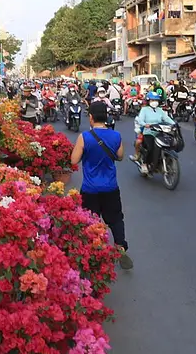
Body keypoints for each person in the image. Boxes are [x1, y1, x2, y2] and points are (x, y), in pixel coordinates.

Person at [72, 101, 133, 270]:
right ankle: (120, 246)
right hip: (110, 188)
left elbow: (74, 160)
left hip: (90, 189)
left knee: (90, 220)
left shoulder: (84, 137)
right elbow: (120, 156)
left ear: (91, 117)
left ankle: (92, 250)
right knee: (115, 219)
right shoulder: (116, 136)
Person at [132, 89, 175, 174]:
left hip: (159, 132)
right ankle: (145, 163)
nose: (154, 102)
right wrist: (145, 124)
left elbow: (166, 119)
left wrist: (174, 124)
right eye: (152, 100)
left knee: (167, 144)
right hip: (148, 132)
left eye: (156, 100)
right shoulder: (144, 110)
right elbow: (140, 120)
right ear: (148, 101)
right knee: (150, 148)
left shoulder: (160, 110)